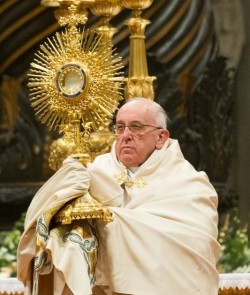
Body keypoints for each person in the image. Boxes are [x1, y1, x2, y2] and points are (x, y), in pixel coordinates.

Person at [17, 97, 221, 295]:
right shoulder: (94, 171)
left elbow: (195, 245)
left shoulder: (189, 183)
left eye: (136, 127)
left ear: (161, 138)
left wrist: (110, 221)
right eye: (120, 127)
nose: (126, 135)